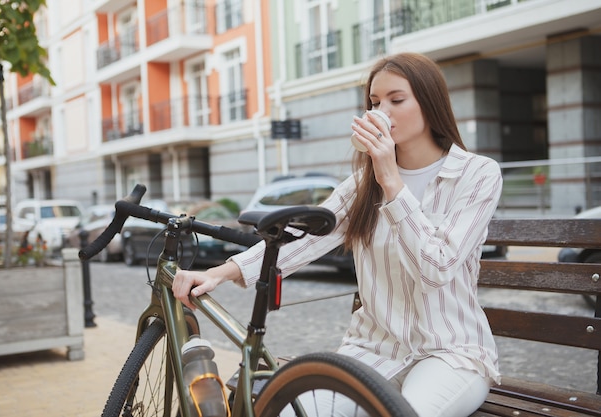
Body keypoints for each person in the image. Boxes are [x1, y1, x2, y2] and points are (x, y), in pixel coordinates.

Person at [173, 52, 502, 417]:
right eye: (375, 103)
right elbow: (304, 238)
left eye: (397, 100)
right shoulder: (363, 184)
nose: (382, 112)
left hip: (450, 353)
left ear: (429, 102)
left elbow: (436, 268)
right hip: (373, 350)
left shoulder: (476, 175)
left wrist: (392, 181)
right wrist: (219, 272)